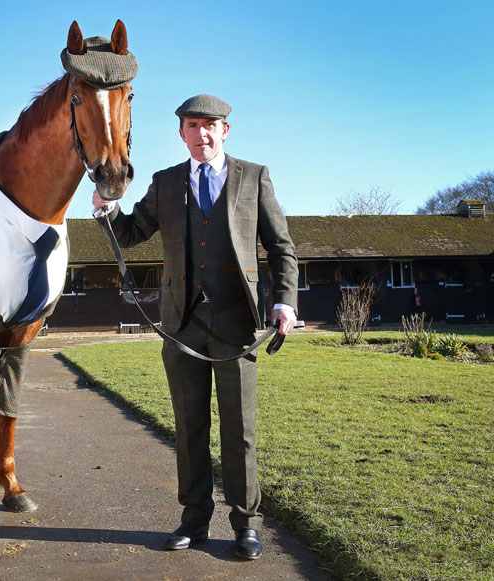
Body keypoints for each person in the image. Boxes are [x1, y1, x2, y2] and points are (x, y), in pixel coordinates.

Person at [92, 94, 298, 560]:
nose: (201, 133)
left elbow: (281, 247)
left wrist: (284, 302)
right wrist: (107, 209)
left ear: (225, 130)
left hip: (237, 324)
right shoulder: (165, 182)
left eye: (210, 125)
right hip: (180, 324)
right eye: (192, 125)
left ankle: (246, 525)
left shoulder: (254, 177)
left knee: (239, 430)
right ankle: (194, 519)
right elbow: (131, 232)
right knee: (188, 428)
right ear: (181, 133)